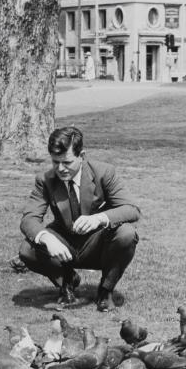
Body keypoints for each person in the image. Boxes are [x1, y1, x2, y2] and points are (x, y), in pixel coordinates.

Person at [19, 126, 140, 311]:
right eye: (55, 162)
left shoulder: (104, 172)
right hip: (64, 243)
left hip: (97, 244)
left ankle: (105, 290)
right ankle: (66, 282)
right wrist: (47, 238)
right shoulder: (45, 180)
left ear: (82, 155)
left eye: (67, 162)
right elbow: (29, 219)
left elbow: (132, 209)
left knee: (126, 234)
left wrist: (100, 218)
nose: (60, 169)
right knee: (27, 249)